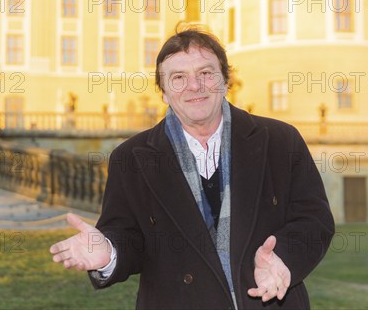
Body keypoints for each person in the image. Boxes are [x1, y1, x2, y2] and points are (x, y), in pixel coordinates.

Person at [50, 28, 335, 309]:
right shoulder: (131, 158)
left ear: (225, 81)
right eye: (178, 78)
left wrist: (283, 259)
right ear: (163, 93)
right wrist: (110, 253)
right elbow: (129, 237)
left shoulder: (280, 141)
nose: (195, 86)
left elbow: (314, 219)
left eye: (206, 73)